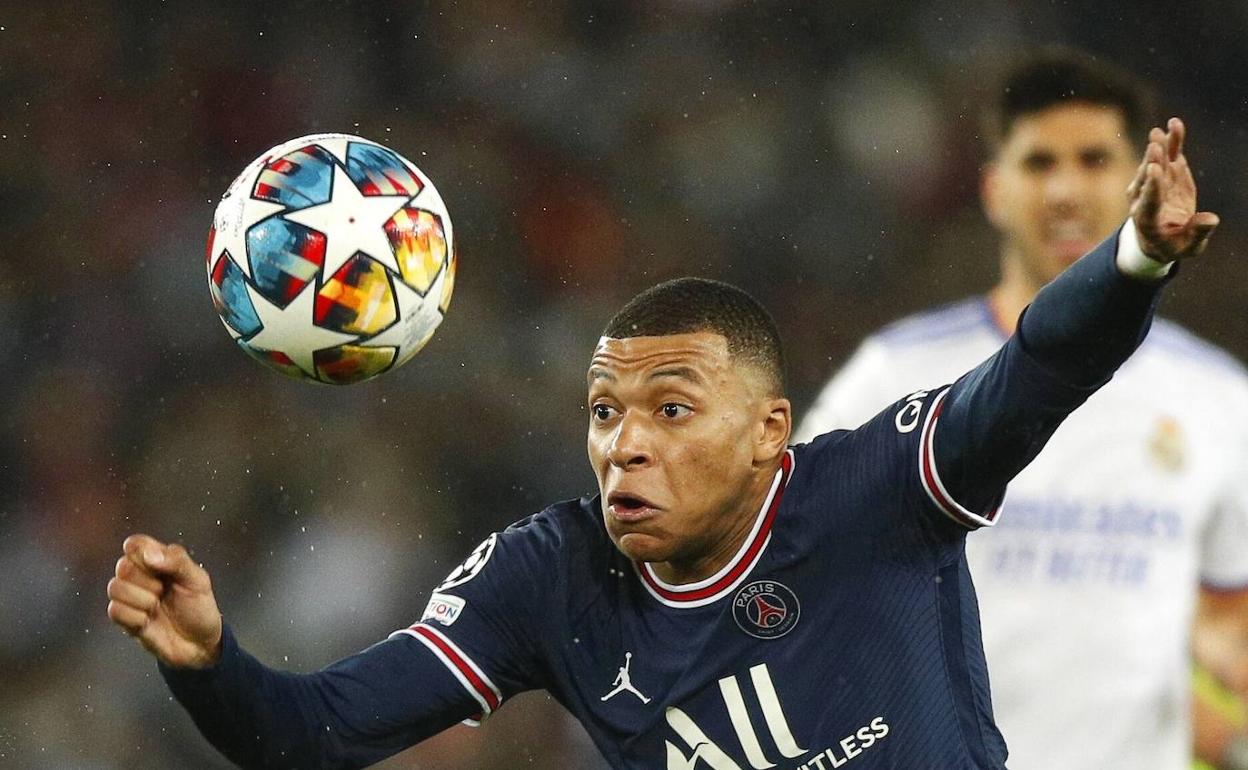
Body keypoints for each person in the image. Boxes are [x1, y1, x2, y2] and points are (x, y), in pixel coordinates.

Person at [107, 115, 1215, 769]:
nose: (625, 444)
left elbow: (1038, 369)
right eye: (603, 411)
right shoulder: (550, 577)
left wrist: (1134, 260)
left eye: (672, 407)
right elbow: (315, 731)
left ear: (770, 432)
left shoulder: (878, 487)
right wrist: (211, 663)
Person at [796, 50, 1248, 770]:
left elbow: (1228, 627)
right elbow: (787, 562)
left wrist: (1225, 730)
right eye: (1039, 164)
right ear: (993, 190)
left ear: (1142, 179)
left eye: (1095, 160)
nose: (1066, 190)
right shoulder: (892, 374)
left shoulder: (1220, 399)